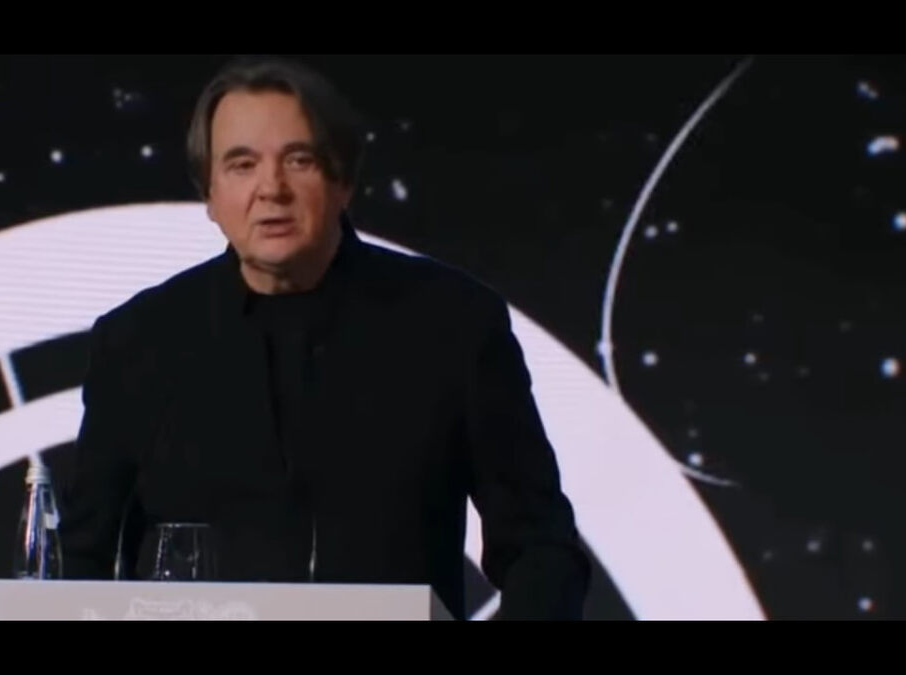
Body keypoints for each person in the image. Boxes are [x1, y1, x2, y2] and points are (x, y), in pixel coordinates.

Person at [59, 56, 590, 620]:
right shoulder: (138, 341)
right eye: (241, 165)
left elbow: (541, 548)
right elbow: (79, 563)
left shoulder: (455, 324)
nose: (271, 189)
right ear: (209, 195)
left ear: (344, 181)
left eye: (299, 160)